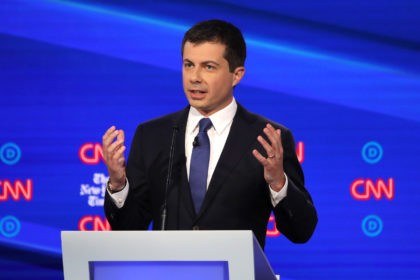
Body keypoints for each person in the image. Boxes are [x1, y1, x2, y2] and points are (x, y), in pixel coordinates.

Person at [102, 19, 317, 248]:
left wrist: (278, 182)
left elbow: (301, 231)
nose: (194, 77)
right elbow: (129, 228)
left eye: (208, 67)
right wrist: (118, 185)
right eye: (188, 65)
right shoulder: (153, 135)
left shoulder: (267, 138)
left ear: (237, 75)